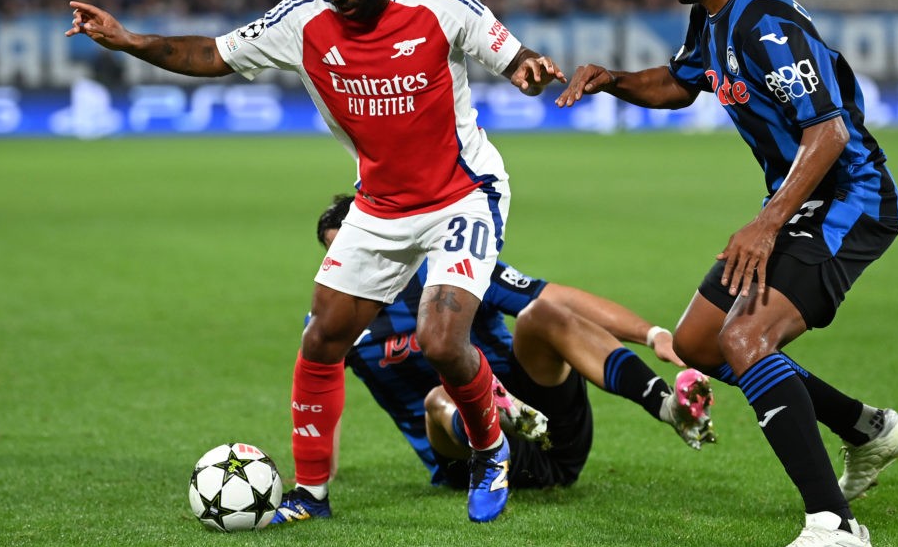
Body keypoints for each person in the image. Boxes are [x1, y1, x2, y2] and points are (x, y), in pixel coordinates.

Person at [65, 0, 565, 524]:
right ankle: (309, 495)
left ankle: (491, 452)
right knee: (322, 336)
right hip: (380, 204)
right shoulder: (303, 20)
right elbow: (211, 55)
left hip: (462, 193)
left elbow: (515, 57)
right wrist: (129, 39)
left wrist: (530, 71)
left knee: (440, 338)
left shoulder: (442, 4)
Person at [555, 0, 898, 547]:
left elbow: (829, 132)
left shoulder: (766, 24)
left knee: (745, 335)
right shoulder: (715, 13)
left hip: (849, 200)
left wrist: (766, 224)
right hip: (799, 201)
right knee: (698, 343)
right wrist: (614, 80)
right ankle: (865, 429)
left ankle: (835, 529)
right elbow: (682, 81)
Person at [304, 194, 714, 500]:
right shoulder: (334, 321)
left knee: (540, 313)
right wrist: (319, 472)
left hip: (550, 431)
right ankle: (491, 419)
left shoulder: (450, 272)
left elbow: (560, 299)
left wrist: (652, 333)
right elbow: (322, 389)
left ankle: (667, 405)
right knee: (438, 398)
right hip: (466, 462)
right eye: (339, 253)